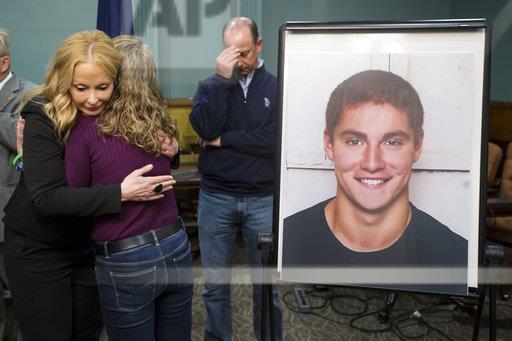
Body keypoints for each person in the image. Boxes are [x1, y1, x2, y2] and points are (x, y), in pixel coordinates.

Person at [2, 30, 177, 341]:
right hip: (39, 247)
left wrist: (172, 152)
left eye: (103, 87)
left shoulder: (114, 106)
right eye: (81, 88)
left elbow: (132, 152)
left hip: (87, 245)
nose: (93, 98)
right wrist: (121, 193)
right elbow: (46, 198)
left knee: (88, 331)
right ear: (63, 78)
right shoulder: (41, 112)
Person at [282, 69, 468, 294]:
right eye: (354, 141)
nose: (372, 163)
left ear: (418, 146)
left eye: (392, 142)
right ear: (329, 144)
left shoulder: (456, 257)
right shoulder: (288, 239)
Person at [65, 35, 193, 340]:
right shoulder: (159, 118)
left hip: (126, 259)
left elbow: (71, 198)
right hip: (176, 244)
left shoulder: (87, 129)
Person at [189, 16, 282, 340]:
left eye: (244, 52)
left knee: (267, 286)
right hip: (216, 197)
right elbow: (205, 129)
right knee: (215, 287)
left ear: (259, 45)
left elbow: (274, 139)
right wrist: (220, 81)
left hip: (263, 197)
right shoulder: (211, 86)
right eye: (231, 53)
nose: (239, 61)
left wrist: (223, 142)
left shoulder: (278, 85)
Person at [0, 27, 35, 341]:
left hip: (9, 223)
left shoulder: (30, 95)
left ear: (3, 62)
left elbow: (19, 140)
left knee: (29, 308)